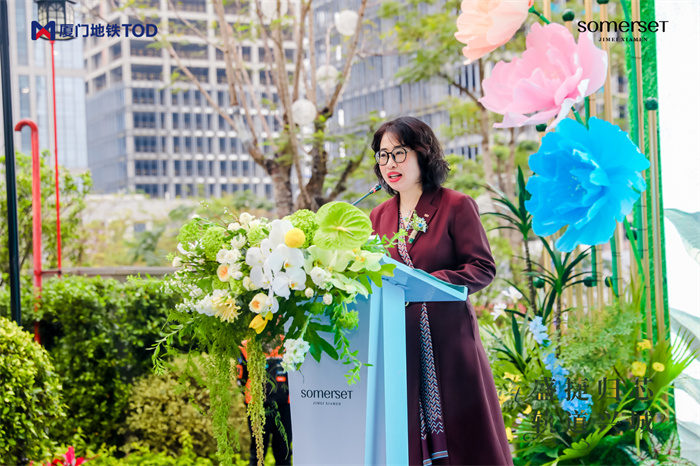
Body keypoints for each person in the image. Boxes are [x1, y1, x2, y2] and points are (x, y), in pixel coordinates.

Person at [369, 116, 513, 466]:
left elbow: (482, 268)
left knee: (466, 438)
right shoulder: (378, 216)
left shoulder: (455, 205)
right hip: (399, 344)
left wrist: (429, 281)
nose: (390, 164)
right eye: (383, 155)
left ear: (424, 153)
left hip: (448, 341)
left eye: (399, 153)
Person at [237, 342, 292, 466]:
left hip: (285, 405)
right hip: (257, 406)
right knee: (258, 453)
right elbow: (241, 378)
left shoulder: (290, 342)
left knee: (284, 452)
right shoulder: (247, 345)